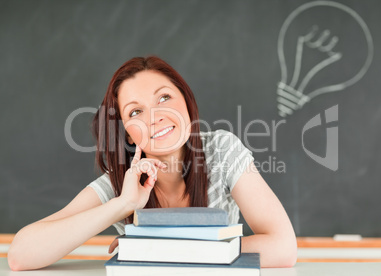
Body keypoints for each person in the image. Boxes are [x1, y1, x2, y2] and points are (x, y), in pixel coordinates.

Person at [8, 56, 297, 270]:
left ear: (186, 101)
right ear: (127, 133)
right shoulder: (122, 183)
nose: (154, 117)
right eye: (135, 112)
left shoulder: (221, 149)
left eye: (164, 97)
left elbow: (283, 248)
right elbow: (21, 255)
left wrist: (154, 248)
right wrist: (122, 205)